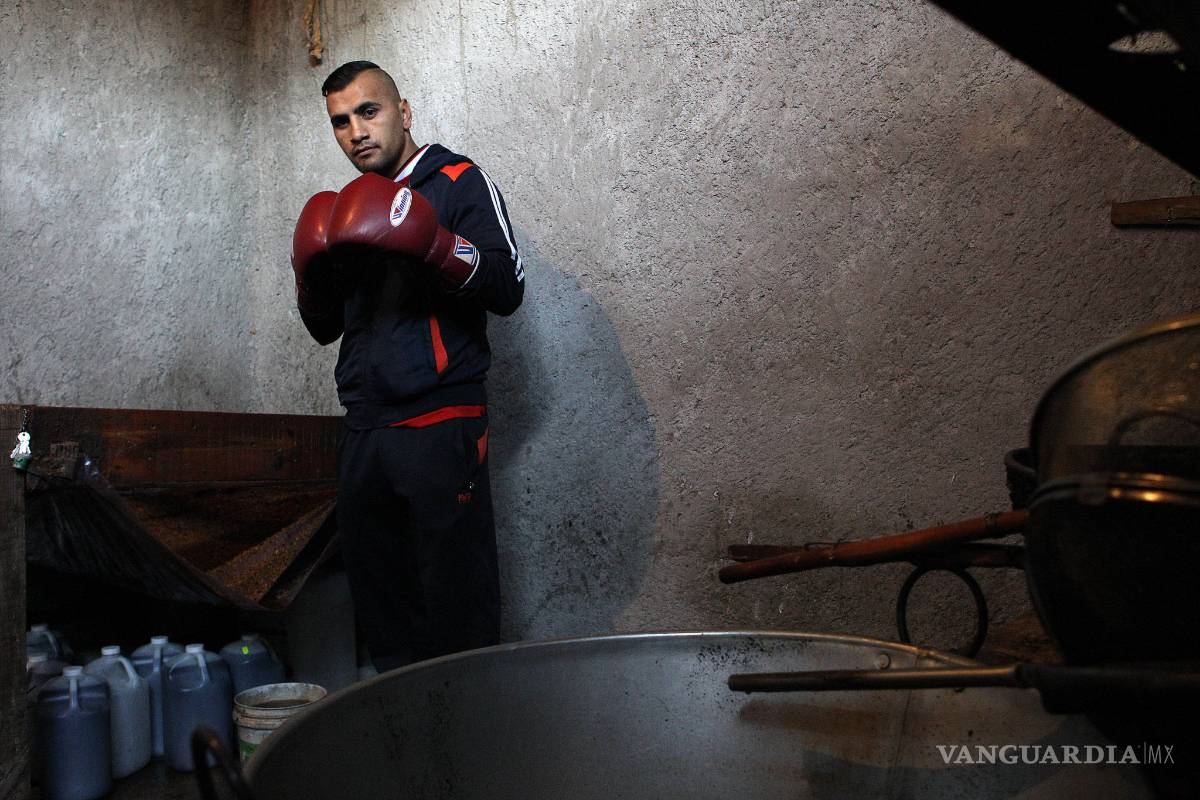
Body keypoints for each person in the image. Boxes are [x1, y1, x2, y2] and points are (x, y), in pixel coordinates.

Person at [290, 60, 525, 672]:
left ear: (404, 112)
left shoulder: (456, 181)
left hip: (439, 421)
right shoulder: (344, 210)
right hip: (365, 430)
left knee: (456, 609)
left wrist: (437, 244)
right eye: (340, 122)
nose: (355, 132)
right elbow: (325, 330)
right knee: (384, 611)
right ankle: (409, 759)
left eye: (369, 112)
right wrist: (310, 277)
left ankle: (471, 755)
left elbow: (508, 283)